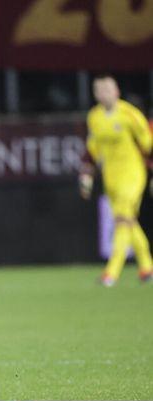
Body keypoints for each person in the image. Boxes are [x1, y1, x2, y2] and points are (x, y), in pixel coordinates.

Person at [79, 74, 153, 287]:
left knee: (122, 219)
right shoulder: (94, 117)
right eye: (99, 91)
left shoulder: (130, 115)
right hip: (110, 177)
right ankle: (147, 267)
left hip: (132, 174)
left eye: (107, 90)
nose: (103, 94)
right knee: (129, 221)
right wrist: (86, 176)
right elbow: (92, 150)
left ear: (116, 92)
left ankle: (111, 273)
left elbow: (148, 145)